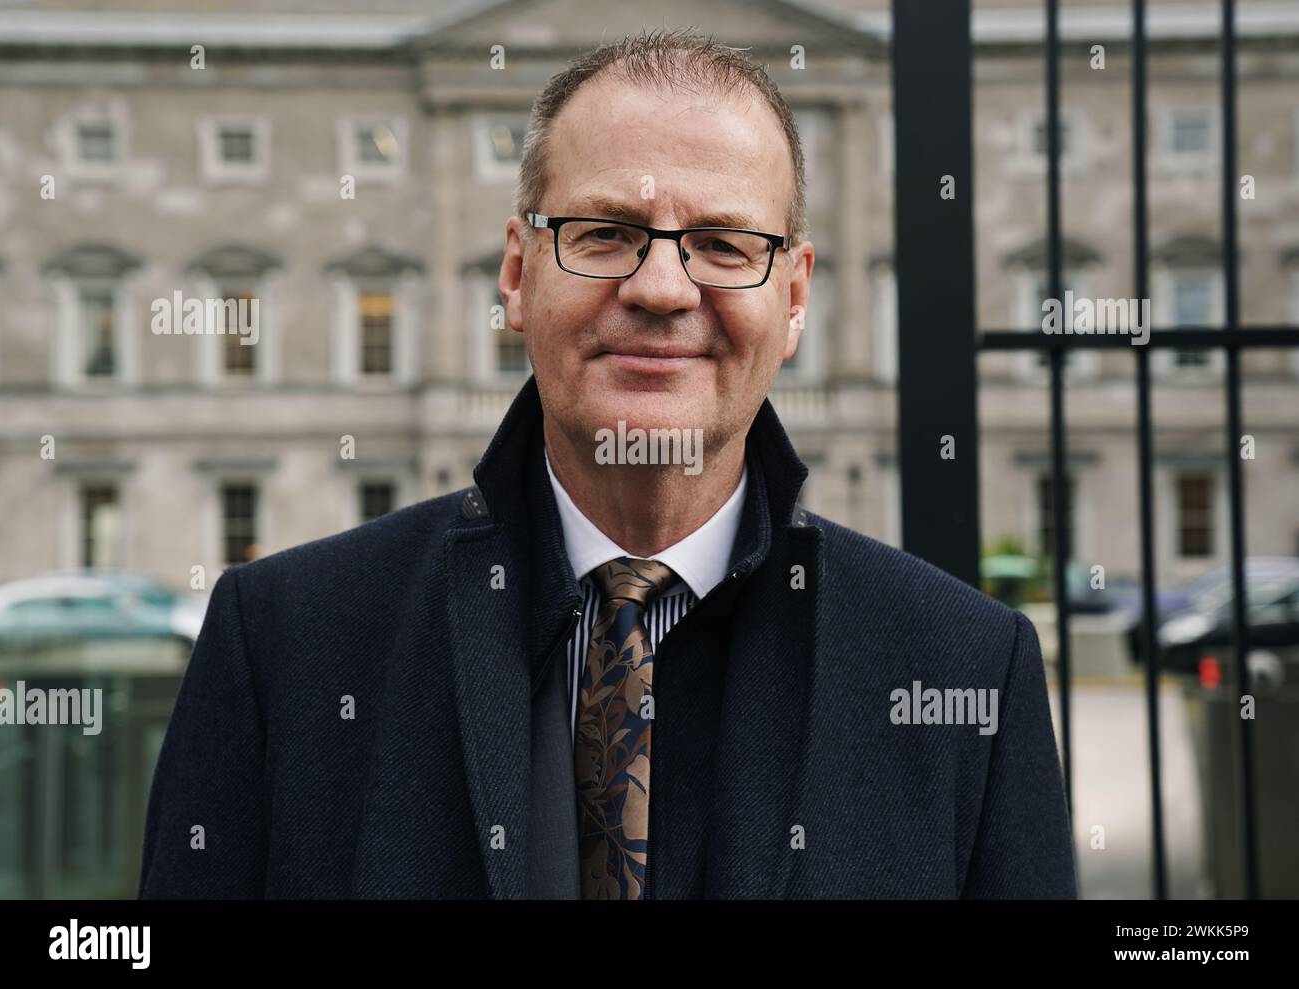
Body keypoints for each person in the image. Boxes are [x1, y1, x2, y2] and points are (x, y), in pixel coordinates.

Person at [139, 29, 1075, 900]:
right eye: (604, 233)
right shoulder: (284, 645)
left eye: (722, 244)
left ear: (793, 298)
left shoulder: (966, 669)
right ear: (516, 275)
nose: (662, 288)